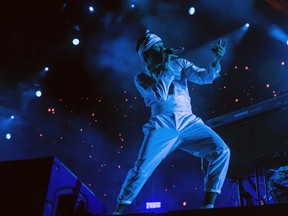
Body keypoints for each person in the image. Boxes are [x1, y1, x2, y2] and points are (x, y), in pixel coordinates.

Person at [112, 33, 230, 215]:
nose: (162, 49)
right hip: (162, 123)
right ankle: (118, 211)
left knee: (222, 151)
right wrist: (166, 66)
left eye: (162, 45)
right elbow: (159, 95)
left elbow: (204, 77)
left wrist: (216, 59)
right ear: (147, 55)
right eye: (157, 48)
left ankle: (208, 205)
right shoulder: (141, 77)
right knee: (142, 168)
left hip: (188, 120)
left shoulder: (180, 64)